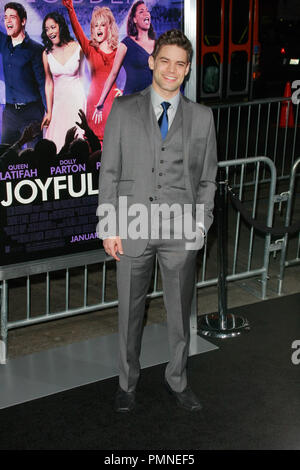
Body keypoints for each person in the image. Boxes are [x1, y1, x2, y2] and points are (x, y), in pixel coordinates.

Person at [97, 29, 218, 413]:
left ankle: (178, 380)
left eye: (180, 64)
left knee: (181, 311)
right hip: (131, 224)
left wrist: (201, 225)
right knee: (130, 311)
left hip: (180, 228)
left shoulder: (202, 117)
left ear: (187, 70)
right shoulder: (123, 109)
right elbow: (110, 172)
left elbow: (208, 178)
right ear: (151, 62)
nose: (171, 69)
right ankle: (126, 383)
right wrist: (109, 226)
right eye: (164, 60)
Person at [62, 0, 120, 143]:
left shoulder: (119, 51)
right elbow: (77, 30)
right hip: (94, 105)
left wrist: (125, 90)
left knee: (113, 145)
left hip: (113, 105)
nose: (98, 28)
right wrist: (70, 8)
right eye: (95, 25)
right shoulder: (90, 49)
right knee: (93, 146)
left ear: (110, 27)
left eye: (102, 25)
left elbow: (136, 70)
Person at [93, 0, 155, 123]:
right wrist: (100, 102)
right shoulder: (126, 44)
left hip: (152, 103)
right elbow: (113, 74)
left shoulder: (158, 44)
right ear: (134, 19)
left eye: (147, 11)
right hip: (132, 103)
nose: (146, 13)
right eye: (141, 11)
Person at [0, 2, 46, 145]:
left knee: (34, 158)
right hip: (10, 114)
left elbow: (42, 83)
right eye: (5, 17)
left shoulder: (36, 49)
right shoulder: (3, 43)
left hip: (31, 112)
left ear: (23, 21)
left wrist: (48, 111)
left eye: (12, 17)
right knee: (7, 158)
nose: (7, 20)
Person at [41, 11, 86, 152]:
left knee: (78, 143)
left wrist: (88, 105)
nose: (50, 32)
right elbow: (48, 82)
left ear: (61, 27)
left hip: (77, 101)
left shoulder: (78, 47)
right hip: (58, 105)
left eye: (53, 27)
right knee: (57, 142)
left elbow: (85, 78)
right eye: (47, 29)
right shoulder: (46, 53)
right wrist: (49, 111)